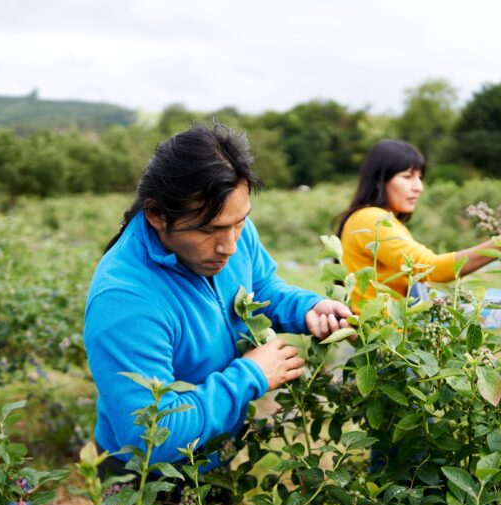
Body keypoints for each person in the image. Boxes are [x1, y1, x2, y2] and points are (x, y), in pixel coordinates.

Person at [84, 124, 352, 477]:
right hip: (148, 479)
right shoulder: (124, 301)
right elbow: (153, 437)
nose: (229, 245)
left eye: (239, 223)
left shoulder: (230, 224)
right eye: (208, 230)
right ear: (156, 215)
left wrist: (307, 308)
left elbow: (262, 287)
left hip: (212, 452)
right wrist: (251, 375)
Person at [337, 139, 501, 310]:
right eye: (407, 176)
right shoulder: (372, 219)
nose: (418, 187)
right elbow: (431, 269)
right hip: (384, 349)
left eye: (420, 177)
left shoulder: (374, 218)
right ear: (379, 180)